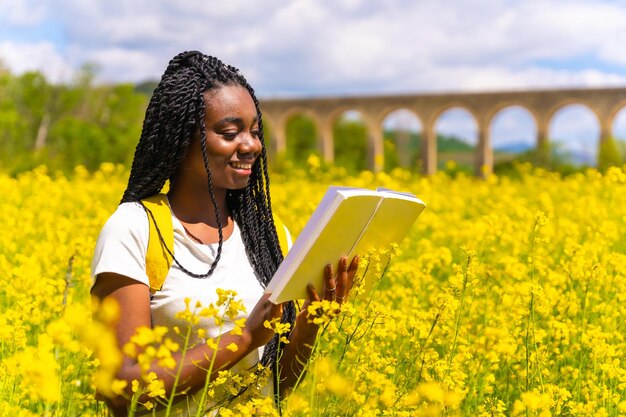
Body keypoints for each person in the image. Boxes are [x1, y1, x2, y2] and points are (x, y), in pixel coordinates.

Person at [90, 51, 359, 416]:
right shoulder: (134, 229)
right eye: (230, 133)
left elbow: (276, 387)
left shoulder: (271, 237)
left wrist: (311, 322)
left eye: (255, 132)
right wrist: (244, 338)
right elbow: (120, 387)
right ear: (180, 137)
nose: (250, 146)